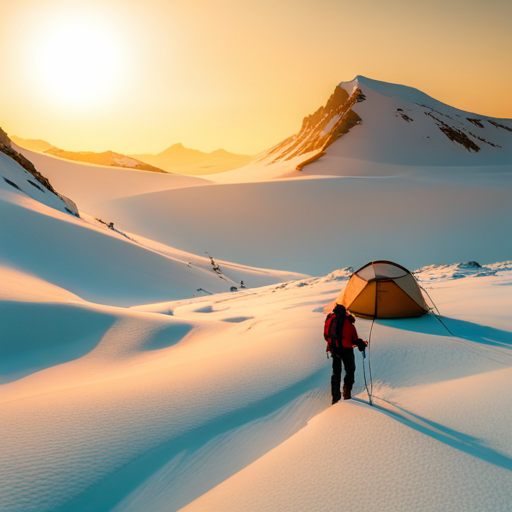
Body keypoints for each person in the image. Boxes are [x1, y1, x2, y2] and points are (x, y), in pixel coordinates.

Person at [328, 305, 367, 404]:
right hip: (346, 350)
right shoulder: (348, 322)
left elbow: (327, 336)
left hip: (334, 350)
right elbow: (353, 339)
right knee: (350, 371)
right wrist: (360, 343)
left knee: (336, 373)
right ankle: (346, 394)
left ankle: (335, 397)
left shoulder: (332, 321)